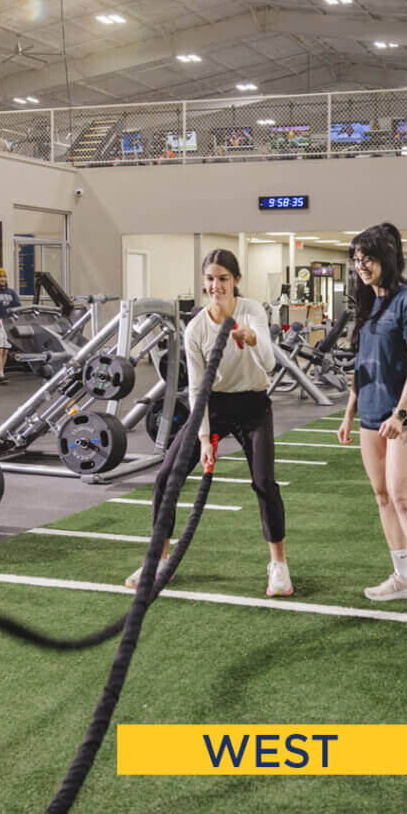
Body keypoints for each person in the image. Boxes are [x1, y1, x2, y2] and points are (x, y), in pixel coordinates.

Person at [126, 248, 293, 597]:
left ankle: (278, 566)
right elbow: (199, 388)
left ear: (236, 281)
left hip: (253, 405)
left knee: (264, 482)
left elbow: (270, 364)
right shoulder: (197, 328)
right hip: (213, 405)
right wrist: (204, 438)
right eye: (210, 280)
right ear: (204, 284)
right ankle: (160, 561)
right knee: (166, 478)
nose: (216, 286)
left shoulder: (252, 312)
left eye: (223, 279)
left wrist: (252, 340)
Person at [337, 222, 407, 631]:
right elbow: (363, 366)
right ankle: (403, 577)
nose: (360, 266)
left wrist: (400, 414)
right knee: (383, 496)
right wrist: (349, 411)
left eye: (367, 258)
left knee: (404, 498)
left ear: (387, 258)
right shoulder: (368, 304)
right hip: (370, 415)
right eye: (356, 259)